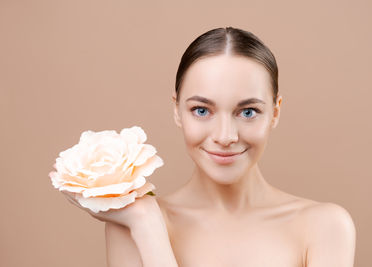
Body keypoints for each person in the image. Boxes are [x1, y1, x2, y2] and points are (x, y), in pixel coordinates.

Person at [65, 26, 356, 267]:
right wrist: (147, 225)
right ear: (177, 110)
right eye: (202, 110)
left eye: (248, 112)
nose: (225, 136)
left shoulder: (325, 227)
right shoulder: (132, 225)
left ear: (275, 112)